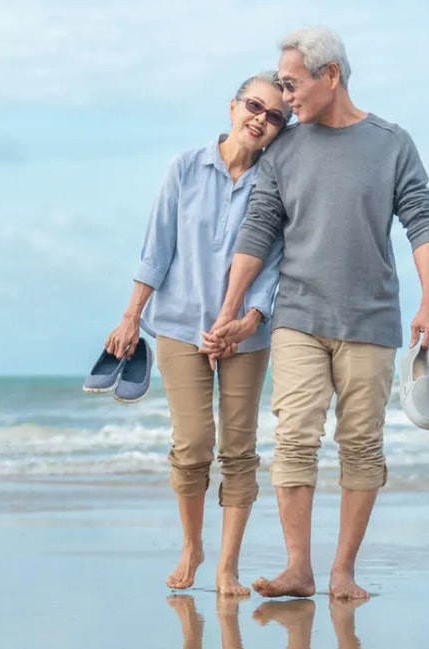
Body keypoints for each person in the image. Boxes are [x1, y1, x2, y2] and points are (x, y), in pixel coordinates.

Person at [203, 26, 429, 600]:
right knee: (294, 439)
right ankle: (299, 569)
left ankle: (342, 572)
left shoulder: (391, 142)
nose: (285, 98)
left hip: (371, 320)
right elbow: (259, 227)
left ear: (331, 75)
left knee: (362, 445)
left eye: (292, 85)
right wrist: (230, 308)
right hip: (297, 315)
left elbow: (422, 222)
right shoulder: (283, 150)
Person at [103, 71, 290, 595]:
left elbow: (274, 264)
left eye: (276, 116)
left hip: (246, 336)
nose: (262, 119)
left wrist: (249, 319)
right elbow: (156, 248)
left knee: (239, 448)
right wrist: (131, 315)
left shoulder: (275, 183)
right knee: (192, 444)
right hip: (180, 328)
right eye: (255, 106)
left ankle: (227, 565)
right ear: (232, 107)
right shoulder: (184, 167)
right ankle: (192, 545)